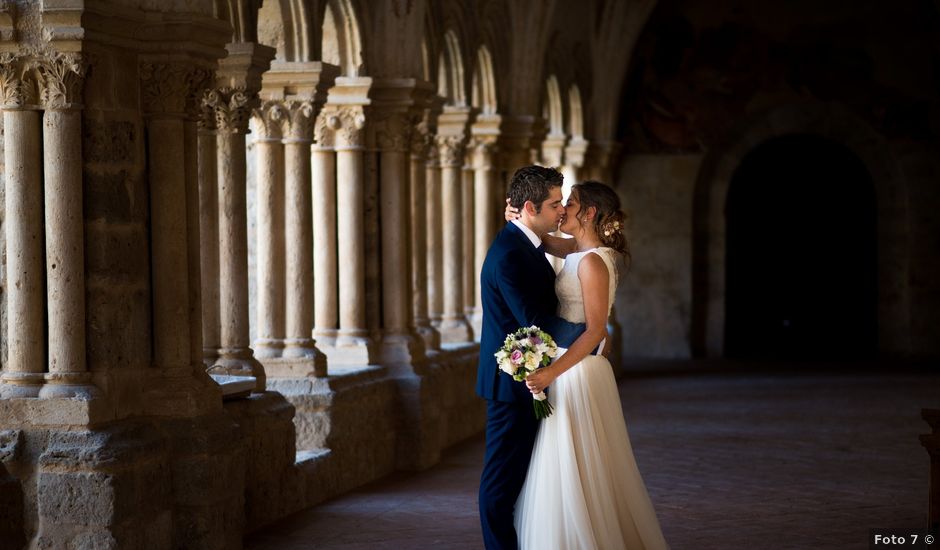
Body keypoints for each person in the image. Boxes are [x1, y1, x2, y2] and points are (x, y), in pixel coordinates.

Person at [508, 181, 669, 549]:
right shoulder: (579, 251)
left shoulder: (593, 260)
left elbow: (597, 331)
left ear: (590, 212)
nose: (563, 208)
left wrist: (550, 371)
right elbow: (546, 241)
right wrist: (520, 217)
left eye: (571, 202)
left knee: (581, 464)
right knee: (568, 465)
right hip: (572, 367)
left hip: (576, 372)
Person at [477, 166, 587, 550]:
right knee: (501, 483)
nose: (560, 210)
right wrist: (591, 333)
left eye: (562, 202)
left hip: (529, 378)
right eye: (555, 203)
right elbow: (536, 322)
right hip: (511, 384)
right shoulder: (510, 254)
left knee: (523, 477)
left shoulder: (526, 242)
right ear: (529, 206)